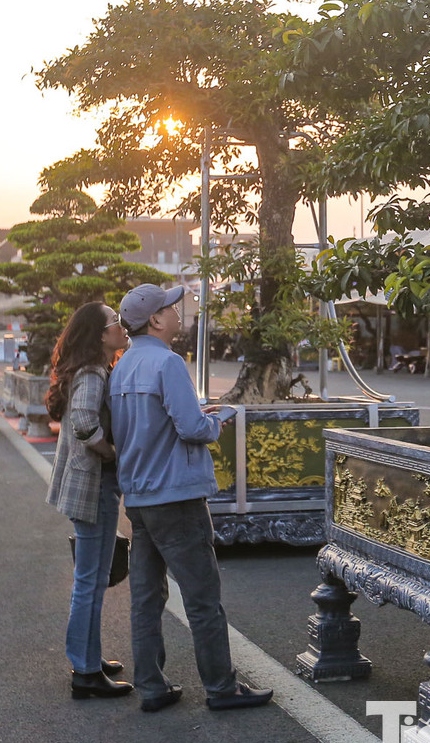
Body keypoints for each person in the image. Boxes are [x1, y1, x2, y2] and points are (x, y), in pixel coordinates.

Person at [109, 283, 272, 714]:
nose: (179, 311)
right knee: (202, 597)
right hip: (176, 496)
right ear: (156, 320)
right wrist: (216, 423)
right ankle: (221, 688)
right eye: (170, 307)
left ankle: (151, 686)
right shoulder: (168, 363)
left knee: (146, 598)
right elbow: (191, 428)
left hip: (140, 497)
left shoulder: (122, 366)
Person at [45, 301, 133, 700]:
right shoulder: (94, 373)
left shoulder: (91, 371)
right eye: (115, 322)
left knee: (92, 580)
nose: (121, 326)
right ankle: (84, 670)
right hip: (93, 486)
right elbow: (84, 423)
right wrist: (111, 451)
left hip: (90, 486)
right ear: (100, 335)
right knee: (90, 582)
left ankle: (88, 658)